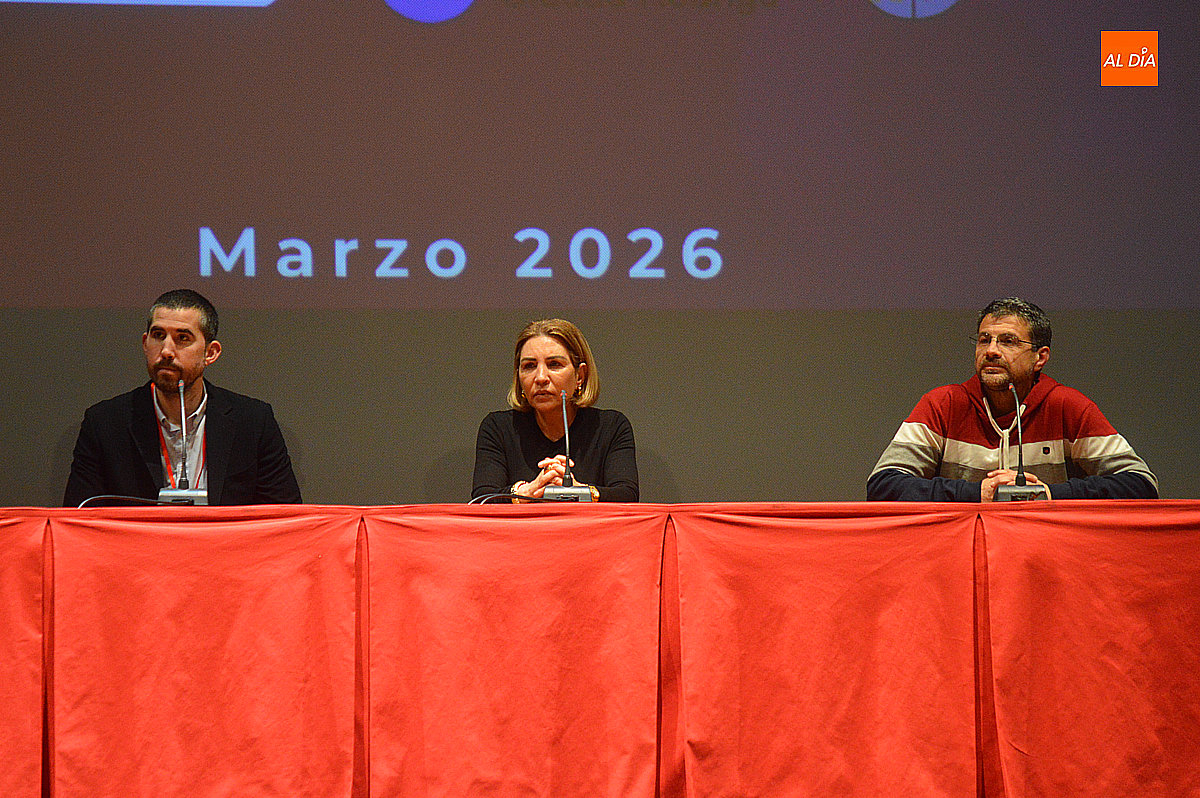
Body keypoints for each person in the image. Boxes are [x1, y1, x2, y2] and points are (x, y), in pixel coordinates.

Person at [868, 297, 1157, 501]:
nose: (991, 351)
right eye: (984, 340)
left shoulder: (1067, 406)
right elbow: (883, 485)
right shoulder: (943, 404)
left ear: (1040, 357)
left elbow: (1141, 483)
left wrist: (1049, 495)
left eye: (1008, 341)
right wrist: (975, 494)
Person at [64, 289, 302, 506]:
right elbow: (79, 518)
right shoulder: (105, 423)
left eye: (183, 338)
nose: (166, 351)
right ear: (145, 344)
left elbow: (286, 516)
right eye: (158, 335)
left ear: (210, 353)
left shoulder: (253, 422)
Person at [472, 318, 639, 502]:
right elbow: (482, 499)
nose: (540, 377)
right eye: (529, 366)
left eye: (554, 364)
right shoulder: (498, 428)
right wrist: (526, 491)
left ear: (580, 376)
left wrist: (580, 491)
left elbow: (627, 496)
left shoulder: (611, 427)